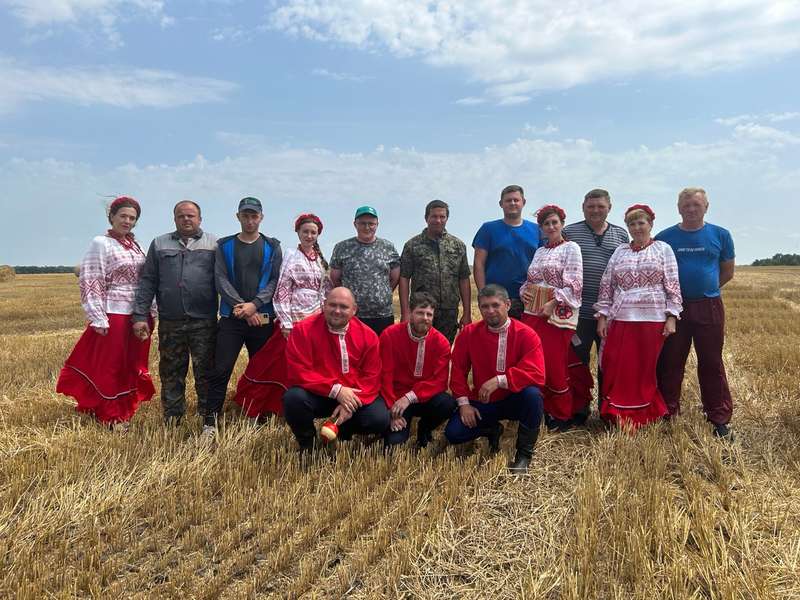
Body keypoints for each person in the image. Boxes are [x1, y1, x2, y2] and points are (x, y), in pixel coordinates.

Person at [56, 196, 155, 431]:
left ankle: (124, 406)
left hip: (137, 314)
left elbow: (147, 280)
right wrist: (98, 316)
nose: (127, 221)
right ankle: (111, 415)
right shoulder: (101, 243)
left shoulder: (137, 246)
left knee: (132, 363)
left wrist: (150, 310)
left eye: (132, 218)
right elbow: (92, 279)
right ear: (111, 217)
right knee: (111, 364)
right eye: (123, 216)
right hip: (114, 313)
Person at [234, 213, 332, 419]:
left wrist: (325, 317)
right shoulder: (291, 255)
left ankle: (305, 406)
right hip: (295, 320)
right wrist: (286, 322)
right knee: (277, 365)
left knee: (310, 366)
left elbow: (325, 291)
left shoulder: (320, 260)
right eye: (305, 231)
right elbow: (282, 290)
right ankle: (265, 407)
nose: (309, 236)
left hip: (315, 321)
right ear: (298, 232)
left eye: (313, 232)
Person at [655, 188, 735, 439]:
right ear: (679, 208)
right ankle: (668, 411)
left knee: (711, 362)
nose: (691, 209)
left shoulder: (721, 235)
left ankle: (718, 417)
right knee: (670, 361)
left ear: (706, 207)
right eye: (686, 205)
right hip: (674, 309)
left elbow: (727, 271)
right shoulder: (665, 237)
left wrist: (706, 290)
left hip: (709, 306)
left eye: (696, 205)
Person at [594, 204, 682, 428]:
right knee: (619, 367)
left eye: (641, 222)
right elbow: (607, 284)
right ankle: (617, 414)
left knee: (644, 369)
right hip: (621, 317)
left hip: (652, 318)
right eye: (632, 224)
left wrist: (672, 316)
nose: (637, 227)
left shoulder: (663, 249)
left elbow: (672, 284)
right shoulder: (620, 251)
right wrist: (602, 315)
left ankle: (643, 415)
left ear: (650, 224)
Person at [132, 200, 218, 426]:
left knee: (206, 372)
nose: (186, 219)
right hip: (171, 321)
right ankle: (173, 418)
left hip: (204, 321)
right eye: (181, 216)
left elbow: (223, 280)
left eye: (191, 215)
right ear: (174, 219)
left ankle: (207, 417)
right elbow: (148, 281)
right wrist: (140, 315)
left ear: (200, 219)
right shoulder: (159, 244)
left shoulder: (214, 244)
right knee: (171, 372)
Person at [444, 285, 546, 474]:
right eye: (485, 306)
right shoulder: (469, 333)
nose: (490, 311)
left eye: (495, 305)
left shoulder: (526, 334)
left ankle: (524, 455)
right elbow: (457, 371)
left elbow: (537, 373)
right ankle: (492, 429)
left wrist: (499, 380)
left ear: (507, 305)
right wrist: (464, 404)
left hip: (514, 399)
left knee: (533, 396)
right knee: (453, 433)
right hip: (484, 401)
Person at [204, 197, 282, 436]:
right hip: (232, 318)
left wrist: (255, 305)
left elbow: (274, 280)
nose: (250, 220)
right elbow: (220, 279)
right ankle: (210, 421)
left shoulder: (272, 246)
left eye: (254, 216)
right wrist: (242, 306)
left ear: (261, 217)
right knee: (221, 369)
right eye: (245, 215)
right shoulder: (224, 245)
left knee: (260, 369)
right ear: (238, 217)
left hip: (262, 319)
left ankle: (255, 415)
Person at [282, 287, 391, 451]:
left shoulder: (368, 336)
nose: (337, 311)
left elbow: (372, 376)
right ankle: (307, 445)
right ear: (324, 305)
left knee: (379, 419)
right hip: (319, 393)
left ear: (354, 310)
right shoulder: (303, 330)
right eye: (332, 305)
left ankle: (342, 432)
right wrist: (336, 390)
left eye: (344, 307)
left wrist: (350, 404)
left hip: (354, 395)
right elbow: (298, 370)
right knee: (293, 398)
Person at [562, 189, 629, 422]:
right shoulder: (570, 232)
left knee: (608, 363)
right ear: (583, 207)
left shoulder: (621, 235)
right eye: (591, 206)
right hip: (577, 313)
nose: (595, 210)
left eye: (600, 206)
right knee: (577, 363)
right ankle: (579, 409)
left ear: (609, 207)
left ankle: (607, 411)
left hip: (609, 314)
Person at [519, 205, 583, 430]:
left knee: (555, 363)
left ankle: (561, 413)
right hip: (533, 312)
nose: (551, 226)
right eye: (546, 223)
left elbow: (574, 283)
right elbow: (531, 280)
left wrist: (553, 302)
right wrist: (524, 291)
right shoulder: (540, 251)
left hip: (556, 312)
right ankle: (541, 408)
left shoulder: (571, 248)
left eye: (555, 222)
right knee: (534, 360)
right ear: (541, 228)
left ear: (562, 224)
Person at [381, 293, 455, 449]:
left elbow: (440, 382)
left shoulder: (441, 343)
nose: (425, 318)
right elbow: (385, 375)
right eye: (420, 313)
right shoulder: (390, 335)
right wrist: (391, 410)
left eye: (429, 314)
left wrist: (409, 397)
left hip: (423, 398)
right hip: (396, 400)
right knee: (393, 447)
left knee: (447, 403)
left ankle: (425, 428)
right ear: (410, 312)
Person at [398, 200, 471, 343]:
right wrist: (405, 312)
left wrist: (467, 313)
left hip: (448, 312)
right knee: (417, 348)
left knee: (443, 349)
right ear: (426, 218)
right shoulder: (412, 245)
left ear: (447, 218)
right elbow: (404, 278)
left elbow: (464, 279)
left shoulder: (458, 246)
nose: (438, 220)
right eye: (434, 216)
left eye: (442, 217)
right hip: (421, 310)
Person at [472, 185, 543, 319]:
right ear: (501, 204)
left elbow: (544, 264)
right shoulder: (488, 229)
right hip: (496, 300)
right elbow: (478, 263)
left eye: (516, 200)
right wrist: (483, 295)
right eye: (508, 200)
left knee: (527, 333)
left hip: (529, 298)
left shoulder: (537, 230)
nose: (512, 203)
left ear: (523, 202)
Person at [330, 206, 400, 335]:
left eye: (371, 224)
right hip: (352, 315)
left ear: (377, 224)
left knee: (381, 347)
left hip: (382, 315)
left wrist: (382, 295)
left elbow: (395, 277)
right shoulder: (342, 247)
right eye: (362, 223)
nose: (367, 227)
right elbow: (335, 278)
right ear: (355, 224)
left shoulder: (388, 247)